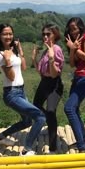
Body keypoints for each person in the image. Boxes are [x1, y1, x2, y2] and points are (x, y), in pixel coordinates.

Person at [0, 23, 46, 156]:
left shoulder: (12, 51)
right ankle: (26, 149)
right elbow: (11, 77)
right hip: (12, 93)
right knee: (40, 117)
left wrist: (20, 52)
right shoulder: (1, 54)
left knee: (27, 121)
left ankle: (0, 138)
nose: (8, 36)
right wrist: (8, 61)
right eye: (5, 34)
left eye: (10, 33)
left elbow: (23, 68)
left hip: (20, 91)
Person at [64, 17, 85, 153]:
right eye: (71, 29)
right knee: (74, 108)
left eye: (75, 28)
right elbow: (72, 64)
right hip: (78, 76)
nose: (73, 31)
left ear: (81, 28)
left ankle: (83, 146)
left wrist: (74, 48)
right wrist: (72, 50)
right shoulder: (75, 42)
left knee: (69, 108)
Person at [32, 23, 64, 154]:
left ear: (55, 35)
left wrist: (51, 59)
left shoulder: (56, 49)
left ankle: (53, 147)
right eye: (43, 34)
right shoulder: (46, 50)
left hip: (54, 84)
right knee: (36, 105)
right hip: (44, 82)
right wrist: (34, 59)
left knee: (51, 111)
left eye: (48, 34)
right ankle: (50, 124)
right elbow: (41, 72)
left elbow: (54, 74)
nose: (45, 36)